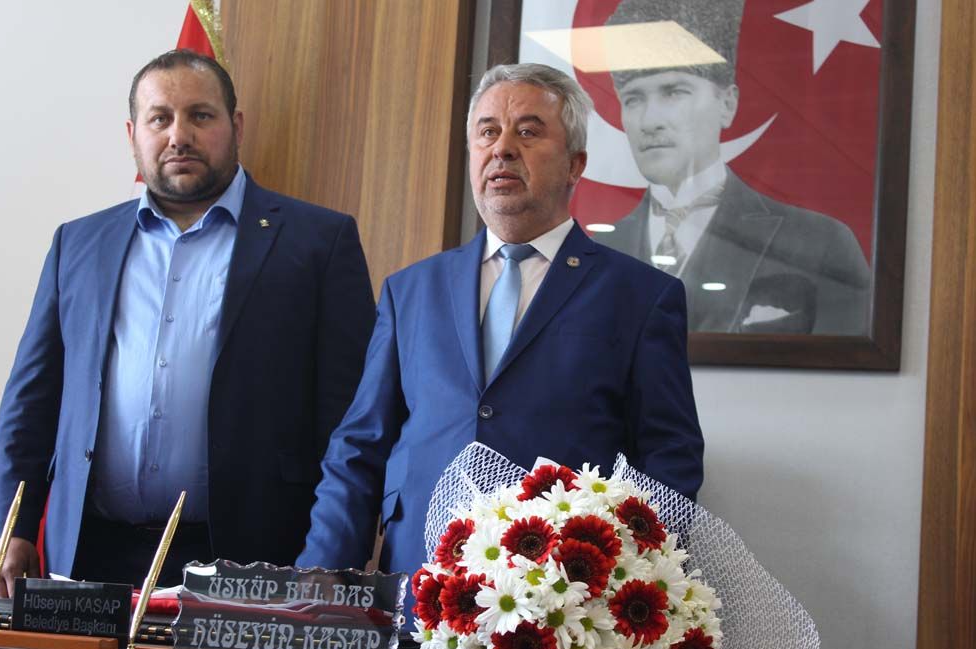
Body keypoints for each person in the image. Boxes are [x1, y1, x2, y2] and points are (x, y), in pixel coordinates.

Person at [297, 63, 703, 605]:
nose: (503, 148)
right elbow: (361, 445)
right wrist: (321, 571)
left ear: (575, 164)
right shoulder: (410, 290)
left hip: (563, 600)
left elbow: (669, 458)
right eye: (487, 132)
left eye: (528, 131)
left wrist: (636, 583)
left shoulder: (641, 296)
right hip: (419, 584)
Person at [0, 49, 375, 597]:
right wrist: (7, 529)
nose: (178, 135)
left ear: (236, 126)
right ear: (133, 134)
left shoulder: (318, 243)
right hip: (91, 555)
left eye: (200, 116)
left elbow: (351, 421)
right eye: (159, 118)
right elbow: (31, 400)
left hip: (254, 560)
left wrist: (328, 559)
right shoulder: (79, 244)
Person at [593, 0, 871, 335]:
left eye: (674, 92)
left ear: (727, 104)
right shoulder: (595, 253)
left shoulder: (819, 244)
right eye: (633, 99)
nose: (649, 121)